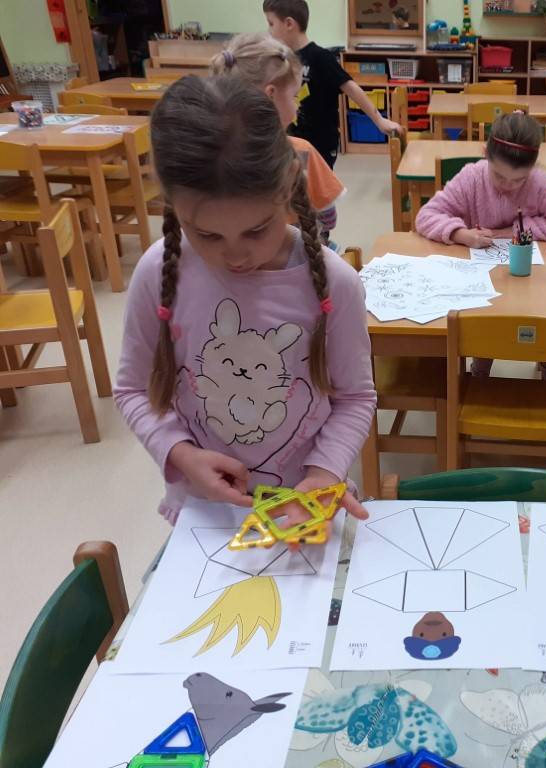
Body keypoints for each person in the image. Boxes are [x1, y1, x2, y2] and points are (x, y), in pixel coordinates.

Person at [114, 76, 376, 526]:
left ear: (289, 185)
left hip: (309, 506)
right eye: (207, 234)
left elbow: (355, 397)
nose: (235, 256)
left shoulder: (336, 284)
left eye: (256, 230)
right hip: (206, 512)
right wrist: (181, 455)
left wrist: (323, 472)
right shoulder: (159, 272)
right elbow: (133, 389)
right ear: (172, 204)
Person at [415, 111, 546, 379]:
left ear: (532, 168)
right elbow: (426, 216)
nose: (508, 185)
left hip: (534, 279)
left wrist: (511, 232)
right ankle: (480, 369)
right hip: (484, 279)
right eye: (499, 176)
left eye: (518, 179)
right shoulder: (472, 177)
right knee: (484, 325)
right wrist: (461, 234)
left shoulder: (539, 182)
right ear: (485, 154)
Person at [211, 32, 343, 246]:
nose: (297, 105)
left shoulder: (208, 154)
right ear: (270, 95)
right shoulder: (300, 151)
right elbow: (329, 219)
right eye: (294, 96)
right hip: (295, 253)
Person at [263, 0, 401, 168]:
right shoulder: (284, 59)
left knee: (315, 184)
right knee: (297, 181)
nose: (269, 31)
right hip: (293, 141)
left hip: (321, 144)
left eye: (271, 24)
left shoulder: (321, 57)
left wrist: (379, 120)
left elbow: (351, 88)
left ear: (289, 24)